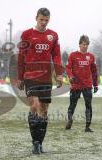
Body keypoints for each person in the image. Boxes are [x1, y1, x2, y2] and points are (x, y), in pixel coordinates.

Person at [17, 8, 63, 154]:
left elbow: (56, 56)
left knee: (44, 110)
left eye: (46, 20)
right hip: (30, 76)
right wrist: (20, 76)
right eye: (41, 20)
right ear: (36, 18)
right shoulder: (27, 34)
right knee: (35, 105)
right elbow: (21, 56)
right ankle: (35, 143)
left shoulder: (53, 36)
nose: (43, 23)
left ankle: (40, 143)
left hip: (46, 77)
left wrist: (59, 74)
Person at [65, 35, 98, 132]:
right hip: (76, 85)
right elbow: (68, 67)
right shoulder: (73, 55)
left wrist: (95, 84)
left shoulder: (91, 57)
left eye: (87, 44)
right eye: (83, 44)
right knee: (72, 105)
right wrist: (70, 76)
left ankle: (87, 126)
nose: (85, 46)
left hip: (87, 85)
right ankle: (69, 121)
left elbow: (94, 71)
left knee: (88, 105)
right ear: (79, 44)